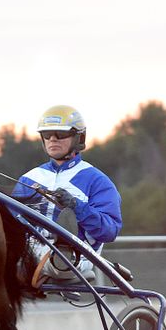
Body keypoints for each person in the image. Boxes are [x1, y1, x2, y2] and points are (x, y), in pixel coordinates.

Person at [12, 105, 122, 288]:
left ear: (78, 137)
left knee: (60, 258)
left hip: (75, 256)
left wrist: (77, 207)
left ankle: (56, 257)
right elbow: (10, 221)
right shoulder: (30, 178)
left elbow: (109, 231)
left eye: (60, 134)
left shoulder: (97, 181)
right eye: (47, 135)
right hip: (27, 252)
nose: (53, 139)